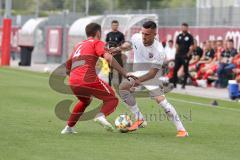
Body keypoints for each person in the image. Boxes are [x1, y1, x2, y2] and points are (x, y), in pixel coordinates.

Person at [61, 23, 135, 134]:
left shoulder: (79, 45)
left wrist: (74, 77)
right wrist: (125, 73)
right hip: (87, 79)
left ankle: (69, 127)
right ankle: (100, 116)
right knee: (112, 99)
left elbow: (68, 65)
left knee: (85, 101)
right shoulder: (97, 42)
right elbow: (108, 57)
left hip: (73, 80)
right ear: (98, 33)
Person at [118, 21, 188, 137]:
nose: (144, 36)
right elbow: (130, 45)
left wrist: (137, 81)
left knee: (162, 102)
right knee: (123, 88)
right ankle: (139, 119)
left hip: (151, 76)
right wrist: (119, 48)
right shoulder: (136, 37)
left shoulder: (159, 51)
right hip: (138, 72)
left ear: (155, 34)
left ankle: (182, 130)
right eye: (143, 33)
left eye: (147, 34)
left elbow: (151, 74)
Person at [172, 23, 194, 89]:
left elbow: (192, 46)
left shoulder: (190, 36)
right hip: (178, 55)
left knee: (185, 70)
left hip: (185, 56)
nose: (183, 28)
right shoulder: (179, 36)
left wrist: (188, 54)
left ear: (187, 28)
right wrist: (176, 52)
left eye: (185, 27)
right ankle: (174, 83)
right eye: (182, 27)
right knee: (175, 69)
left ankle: (184, 84)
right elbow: (176, 44)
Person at [106, 20, 125, 86]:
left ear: (118, 26)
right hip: (111, 55)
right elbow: (106, 44)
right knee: (110, 69)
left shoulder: (121, 35)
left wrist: (117, 49)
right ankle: (109, 84)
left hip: (118, 55)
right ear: (111, 26)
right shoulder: (109, 35)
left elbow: (123, 45)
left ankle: (120, 84)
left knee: (120, 70)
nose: (115, 26)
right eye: (114, 25)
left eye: (116, 25)